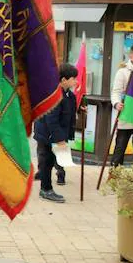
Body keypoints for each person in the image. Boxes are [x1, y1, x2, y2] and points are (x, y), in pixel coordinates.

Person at [33, 64, 79, 203]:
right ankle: (46, 190)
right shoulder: (54, 95)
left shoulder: (68, 94)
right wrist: (59, 139)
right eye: (73, 79)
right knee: (47, 162)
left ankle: (45, 185)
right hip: (47, 135)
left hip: (55, 135)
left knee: (50, 161)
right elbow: (51, 119)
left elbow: (69, 111)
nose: (76, 81)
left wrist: (80, 108)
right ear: (64, 80)